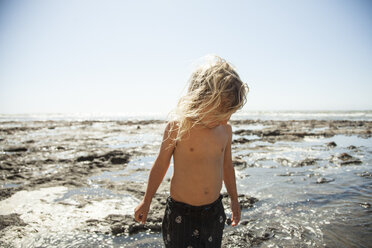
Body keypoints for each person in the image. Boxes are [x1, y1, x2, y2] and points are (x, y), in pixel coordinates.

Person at [134, 55, 248, 248]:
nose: (224, 120)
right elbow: (161, 164)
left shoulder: (225, 130)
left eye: (229, 114)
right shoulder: (178, 127)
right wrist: (146, 200)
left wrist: (234, 201)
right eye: (221, 113)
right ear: (203, 99)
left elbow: (227, 167)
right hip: (181, 214)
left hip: (214, 212)